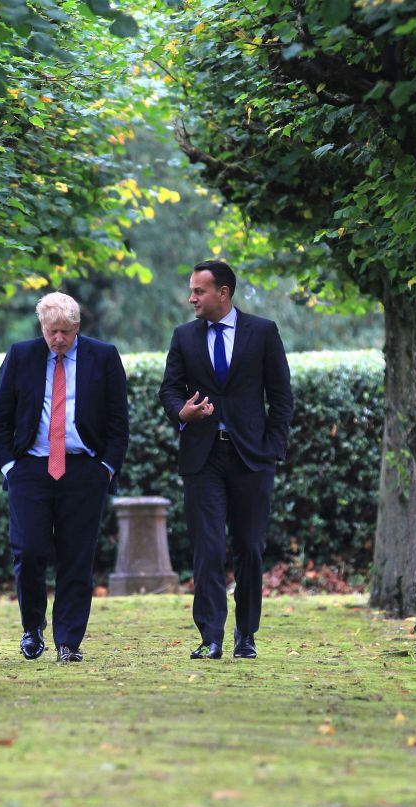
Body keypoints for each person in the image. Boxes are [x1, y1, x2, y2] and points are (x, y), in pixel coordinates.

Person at [158, 260, 294, 659]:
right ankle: (211, 637)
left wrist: (273, 448)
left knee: (249, 547)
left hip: (252, 458)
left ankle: (245, 634)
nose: (191, 298)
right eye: (191, 290)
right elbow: (169, 390)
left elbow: (281, 397)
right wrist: (181, 413)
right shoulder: (184, 336)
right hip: (202, 458)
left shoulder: (263, 332)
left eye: (199, 291)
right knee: (208, 548)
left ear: (223, 292)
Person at [0, 292, 129, 663]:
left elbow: (119, 423)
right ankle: (32, 627)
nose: (59, 340)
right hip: (31, 470)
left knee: (77, 557)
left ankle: (68, 641)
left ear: (77, 327)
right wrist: (9, 467)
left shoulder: (103, 356)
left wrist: (106, 469)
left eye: (66, 332)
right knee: (31, 550)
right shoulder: (21, 356)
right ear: (42, 328)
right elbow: (0, 418)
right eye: (53, 332)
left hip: (84, 470)